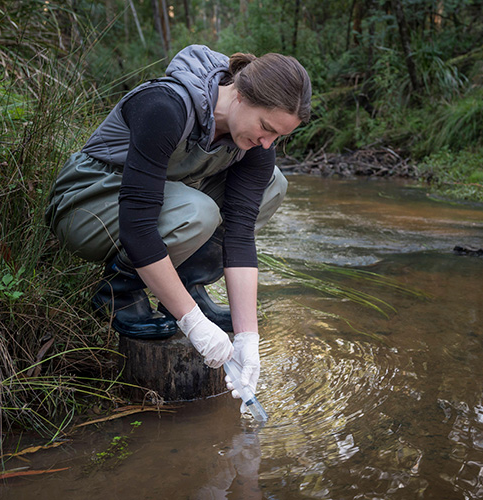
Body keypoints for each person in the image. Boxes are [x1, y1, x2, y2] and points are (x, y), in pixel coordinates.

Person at [45, 44, 311, 404]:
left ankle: (187, 285)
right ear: (241, 94)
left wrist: (249, 338)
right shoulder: (166, 106)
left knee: (273, 183)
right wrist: (193, 324)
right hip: (87, 204)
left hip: (164, 203)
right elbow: (138, 226)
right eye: (265, 128)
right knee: (196, 211)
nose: (267, 143)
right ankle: (118, 291)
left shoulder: (256, 145)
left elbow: (240, 234)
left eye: (278, 136)